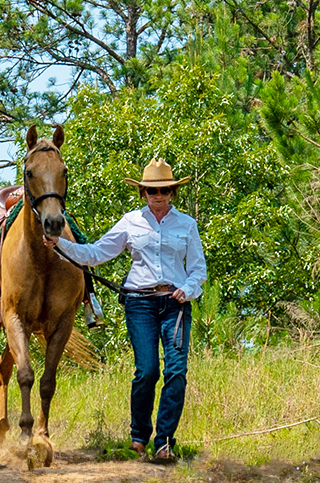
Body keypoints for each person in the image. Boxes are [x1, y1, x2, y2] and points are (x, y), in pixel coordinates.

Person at [53, 158, 207, 465]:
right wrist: (58, 243)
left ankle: (164, 442)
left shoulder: (187, 225)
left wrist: (187, 290)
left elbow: (198, 270)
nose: (157, 195)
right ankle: (139, 438)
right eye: (151, 190)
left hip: (175, 305)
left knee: (176, 372)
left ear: (172, 192)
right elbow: (95, 253)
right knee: (146, 370)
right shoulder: (130, 222)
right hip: (140, 304)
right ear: (143, 193)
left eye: (163, 190)